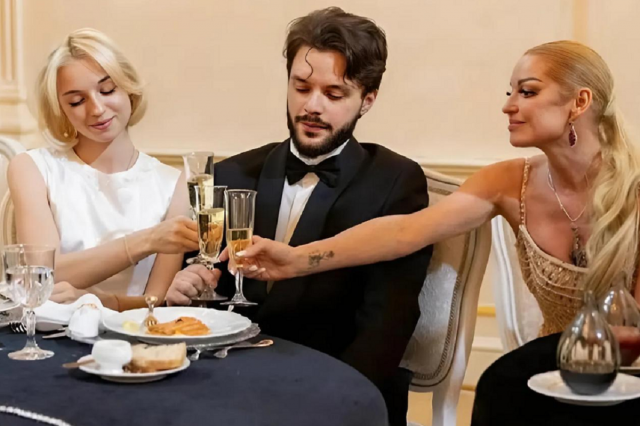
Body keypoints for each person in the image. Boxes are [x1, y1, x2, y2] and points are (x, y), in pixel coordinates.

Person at [237, 40, 640, 337]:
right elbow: (403, 232)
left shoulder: (633, 190)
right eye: (510, 92)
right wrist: (295, 259)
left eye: (528, 91)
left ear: (579, 102)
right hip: (552, 366)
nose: (508, 105)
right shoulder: (507, 181)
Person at [165, 7, 432, 425]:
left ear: (368, 100)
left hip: (339, 391)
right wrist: (188, 291)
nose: (312, 106)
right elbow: (206, 300)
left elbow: (388, 324)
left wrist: (325, 404)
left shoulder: (395, 182)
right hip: (226, 390)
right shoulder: (230, 176)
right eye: (301, 87)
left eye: (334, 94)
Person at [8, 28, 199, 311]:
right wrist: (147, 240)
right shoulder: (32, 168)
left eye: (107, 90)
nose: (96, 109)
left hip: (136, 332)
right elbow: (43, 277)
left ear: (129, 89)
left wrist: (100, 302)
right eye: (77, 101)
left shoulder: (174, 184)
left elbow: (156, 301)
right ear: (61, 109)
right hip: (54, 332)